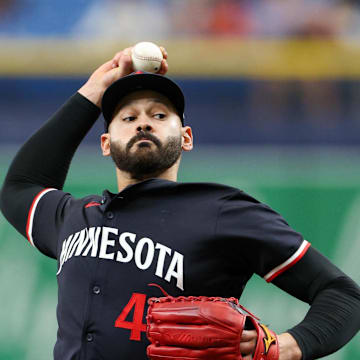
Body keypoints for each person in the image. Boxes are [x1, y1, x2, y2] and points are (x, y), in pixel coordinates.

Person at [0, 46, 359, 360]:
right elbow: (20, 186)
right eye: (128, 117)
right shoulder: (75, 217)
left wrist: (288, 346)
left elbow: (344, 296)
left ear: (186, 138)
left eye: (159, 115)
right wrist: (95, 89)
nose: (143, 124)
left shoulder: (221, 211)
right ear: (106, 143)